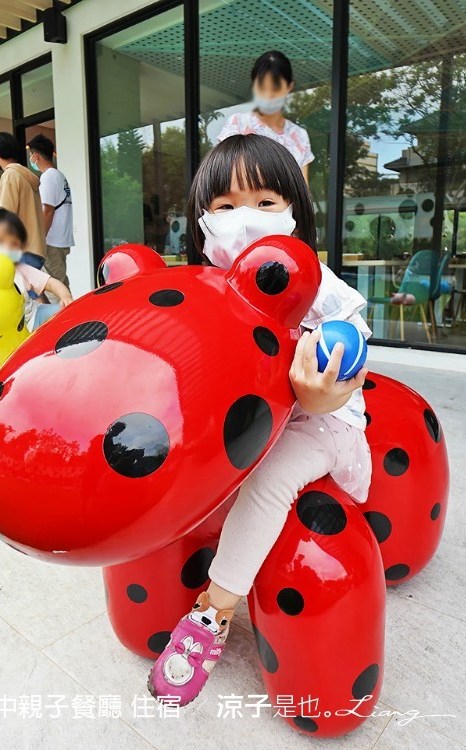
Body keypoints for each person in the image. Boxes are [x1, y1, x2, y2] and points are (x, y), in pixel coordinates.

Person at [148, 134, 371, 706]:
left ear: (294, 211)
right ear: (202, 219)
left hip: (321, 430)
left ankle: (212, 612)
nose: (243, 218)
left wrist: (323, 385)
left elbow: (347, 345)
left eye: (265, 202)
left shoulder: (317, 286)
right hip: (250, 428)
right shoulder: (205, 287)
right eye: (225, 206)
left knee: (268, 477)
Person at [217, 51, 313, 183]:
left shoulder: (299, 136)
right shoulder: (238, 124)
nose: (268, 95)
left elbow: (303, 187)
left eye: (275, 88)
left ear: (289, 86)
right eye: (262, 87)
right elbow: (224, 177)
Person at [0, 208, 71, 326]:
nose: (5, 249)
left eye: (13, 244)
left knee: (66, 313)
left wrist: (65, 297)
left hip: (32, 318)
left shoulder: (21, 269)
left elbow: (51, 283)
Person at [0, 132, 46, 269]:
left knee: (26, 289)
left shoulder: (10, 175)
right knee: (34, 288)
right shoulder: (25, 175)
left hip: (21, 249)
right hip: (36, 247)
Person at [27, 134, 73, 290]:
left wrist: (39, 239)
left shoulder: (48, 177)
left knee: (56, 290)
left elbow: (47, 211)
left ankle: (65, 315)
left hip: (52, 241)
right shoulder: (59, 175)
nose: (30, 158)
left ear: (36, 156)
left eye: (30, 154)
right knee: (60, 285)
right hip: (59, 240)